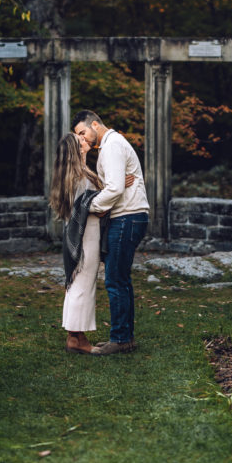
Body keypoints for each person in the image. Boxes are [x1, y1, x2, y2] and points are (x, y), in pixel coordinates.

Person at [72, 109, 149, 356]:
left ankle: (120, 339)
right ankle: (124, 336)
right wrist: (110, 189)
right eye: (79, 136)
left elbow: (114, 189)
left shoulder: (113, 145)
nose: (83, 139)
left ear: (95, 124)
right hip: (127, 216)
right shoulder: (110, 147)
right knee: (120, 279)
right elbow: (114, 186)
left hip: (127, 217)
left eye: (83, 132)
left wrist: (87, 208)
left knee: (115, 279)